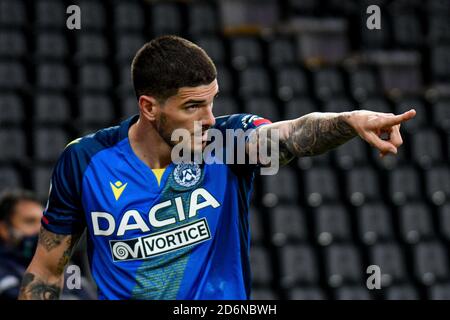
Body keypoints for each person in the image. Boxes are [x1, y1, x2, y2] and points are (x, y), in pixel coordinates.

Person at [18, 35, 416, 300]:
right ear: (149, 107)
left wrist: (348, 121)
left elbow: (290, 135)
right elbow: (48, 271)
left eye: (212, 102)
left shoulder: (227, 143)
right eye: (193, 106)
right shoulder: (86, 160)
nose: (209, 118)